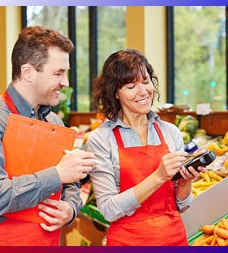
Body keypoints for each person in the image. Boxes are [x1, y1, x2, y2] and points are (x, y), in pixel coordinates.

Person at [0, 26, 96, 246]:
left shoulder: (55, 122)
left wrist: (70, 209)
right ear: (28, 72)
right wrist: (56, 174)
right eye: (58, 73)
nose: (66, 82)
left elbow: (71, 183)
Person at [87, 49, 201, 246]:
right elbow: (108, 210)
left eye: (146, 81)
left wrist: (184, 182)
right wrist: (158, 176)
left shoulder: (170, 132)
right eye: (131, 86)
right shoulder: (101, 139)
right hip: (128, 242)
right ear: (115, 92)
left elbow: (182, 205)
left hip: (174, 238)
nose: (143, 92)